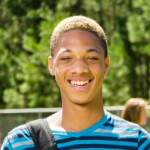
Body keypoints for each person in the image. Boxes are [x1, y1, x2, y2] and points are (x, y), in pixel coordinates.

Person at [1, 15, 150, 150]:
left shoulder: (138, 142)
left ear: (106, 65)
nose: (80, 69)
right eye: (66, 58)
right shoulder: (21, 143)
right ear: (51, 65)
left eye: (91, 58)